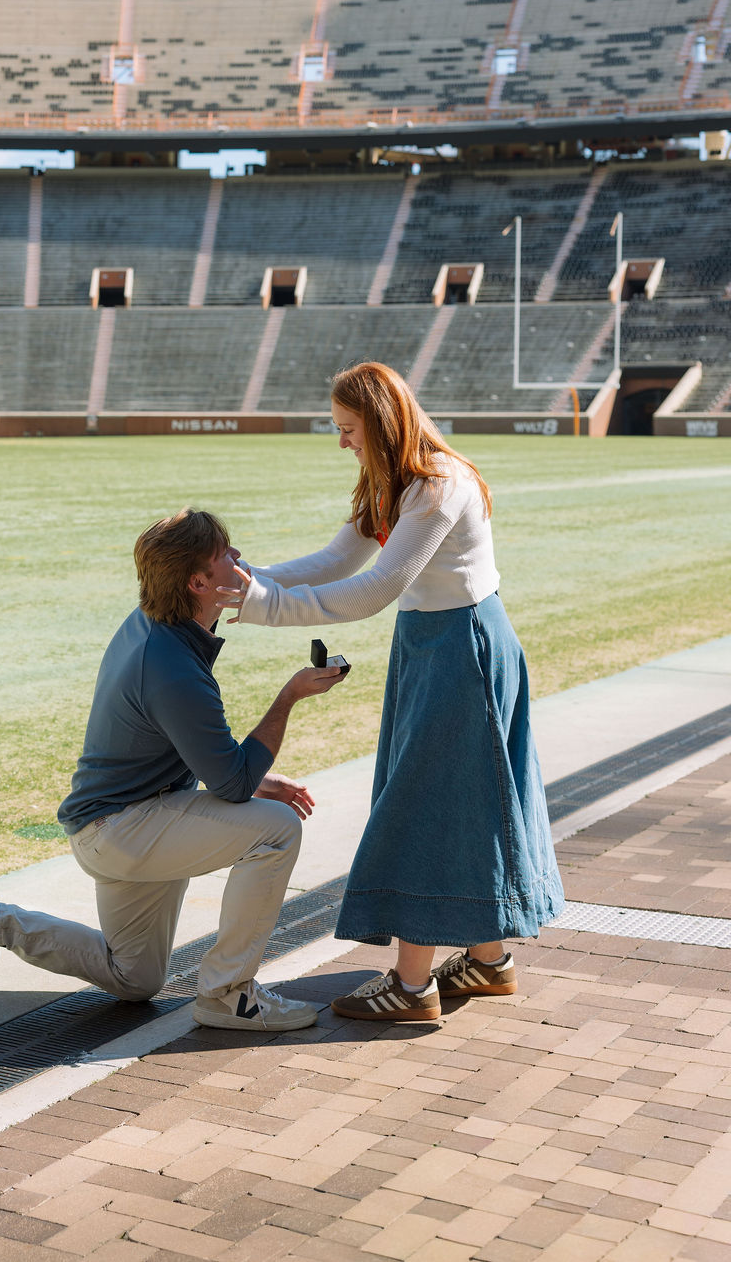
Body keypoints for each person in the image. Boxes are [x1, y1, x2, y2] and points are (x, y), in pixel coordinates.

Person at [223, 362, 564, 1023]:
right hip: (430, 647)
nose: (343, 442)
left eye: (349, 429)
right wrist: (247, 580)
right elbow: (331, 563)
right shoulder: (392, 482)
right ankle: (489, 962)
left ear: (379, 424)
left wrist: (265, 606)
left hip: (465, 647)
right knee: (459, 801)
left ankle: (412, 988)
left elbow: (374, 589)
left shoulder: (440, 485)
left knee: (426, 802)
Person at [0, 508, 345, 1032]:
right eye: (227, 554)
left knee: (134, 979)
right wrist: (290, 695)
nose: (239, 559)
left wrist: (257, 779)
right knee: (276, 830)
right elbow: (232, 783)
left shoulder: (153, 624)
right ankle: (229, 994)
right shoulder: (172, 664)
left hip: (117, 822)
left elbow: (192, 752)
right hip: (123, 830)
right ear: (199, 582)